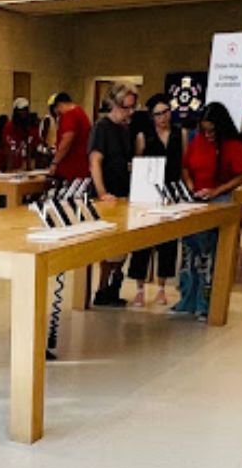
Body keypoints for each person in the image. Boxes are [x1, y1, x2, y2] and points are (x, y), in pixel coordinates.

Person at [173, 102, 242, 318]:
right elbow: (186, 166)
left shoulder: (233, 144)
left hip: (219, 200)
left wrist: (216, 191)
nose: (207, 134)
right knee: (190, 251)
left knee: (209, 253)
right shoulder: (197, 140)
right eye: (204, 129)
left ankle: (205, 303)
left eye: (211, 130)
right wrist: (188, 183)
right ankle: (187, 299)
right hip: (195, 199)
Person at [130, 93, 185, 307]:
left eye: (166, 112)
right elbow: (137, 164)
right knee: (142, 243)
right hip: (147, 193)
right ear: (151, 117)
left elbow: (183, 164)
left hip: (170, 192)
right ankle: (139, 288)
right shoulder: (144, 136)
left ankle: (162, 287)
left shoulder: (179, 134)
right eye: (158, 114)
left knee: (167, 242)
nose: (163, 117)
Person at [88, 82, 138, 307]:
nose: (130, 112)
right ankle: (101, 288)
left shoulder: (124, 129)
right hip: (106, 193)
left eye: (132, 107)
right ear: (114, 105)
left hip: (122, 191)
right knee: (108, 247)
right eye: (126, 107)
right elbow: (95, 162)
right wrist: (102, 192)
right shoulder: (102, 127)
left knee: (122, 246)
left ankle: (114, 286)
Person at [49, 91, 92, 183]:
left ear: (60, 105)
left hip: (71, 170)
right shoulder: (80, 112)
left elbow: (67, 140)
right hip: (82, 168)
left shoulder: (69, 115)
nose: (58, 114)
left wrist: (55, 162)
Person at [0, 99, 38, 172]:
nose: (23, 113)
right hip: (4, 168)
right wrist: (9, 169)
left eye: (25, 110)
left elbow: (28, 147)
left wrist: (28, 167)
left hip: (18, 168)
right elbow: (8, 149)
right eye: (20, 110)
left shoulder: (26, 128)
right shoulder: (9, 127)